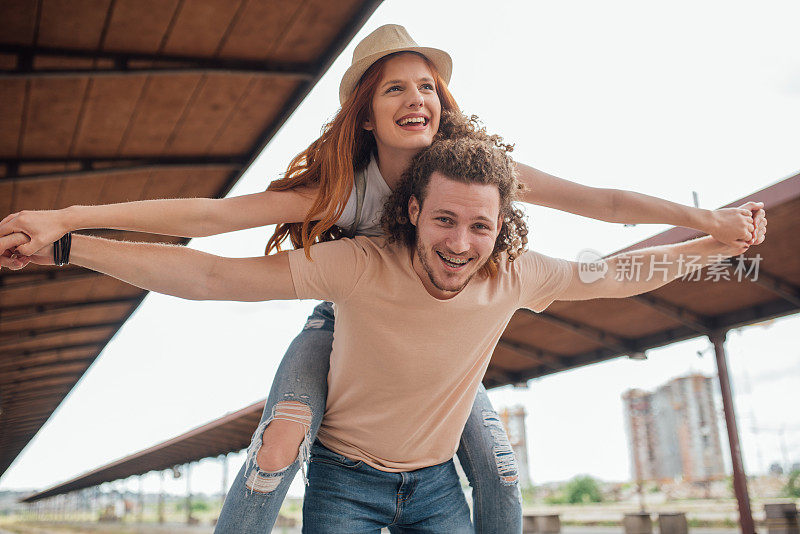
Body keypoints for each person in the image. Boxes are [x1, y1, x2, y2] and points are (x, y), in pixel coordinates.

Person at [0, 24, 766, 533]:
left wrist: (711, 226)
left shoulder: (477, 179)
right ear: (366, 112)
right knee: (282, 440)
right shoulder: (339, 189)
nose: (418, 99)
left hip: (439, 336)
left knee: (498, 469)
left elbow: (603, 205)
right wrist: (70, 221)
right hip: (342, 320)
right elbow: (208, 229)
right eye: (396, 88)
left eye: (429, 86)